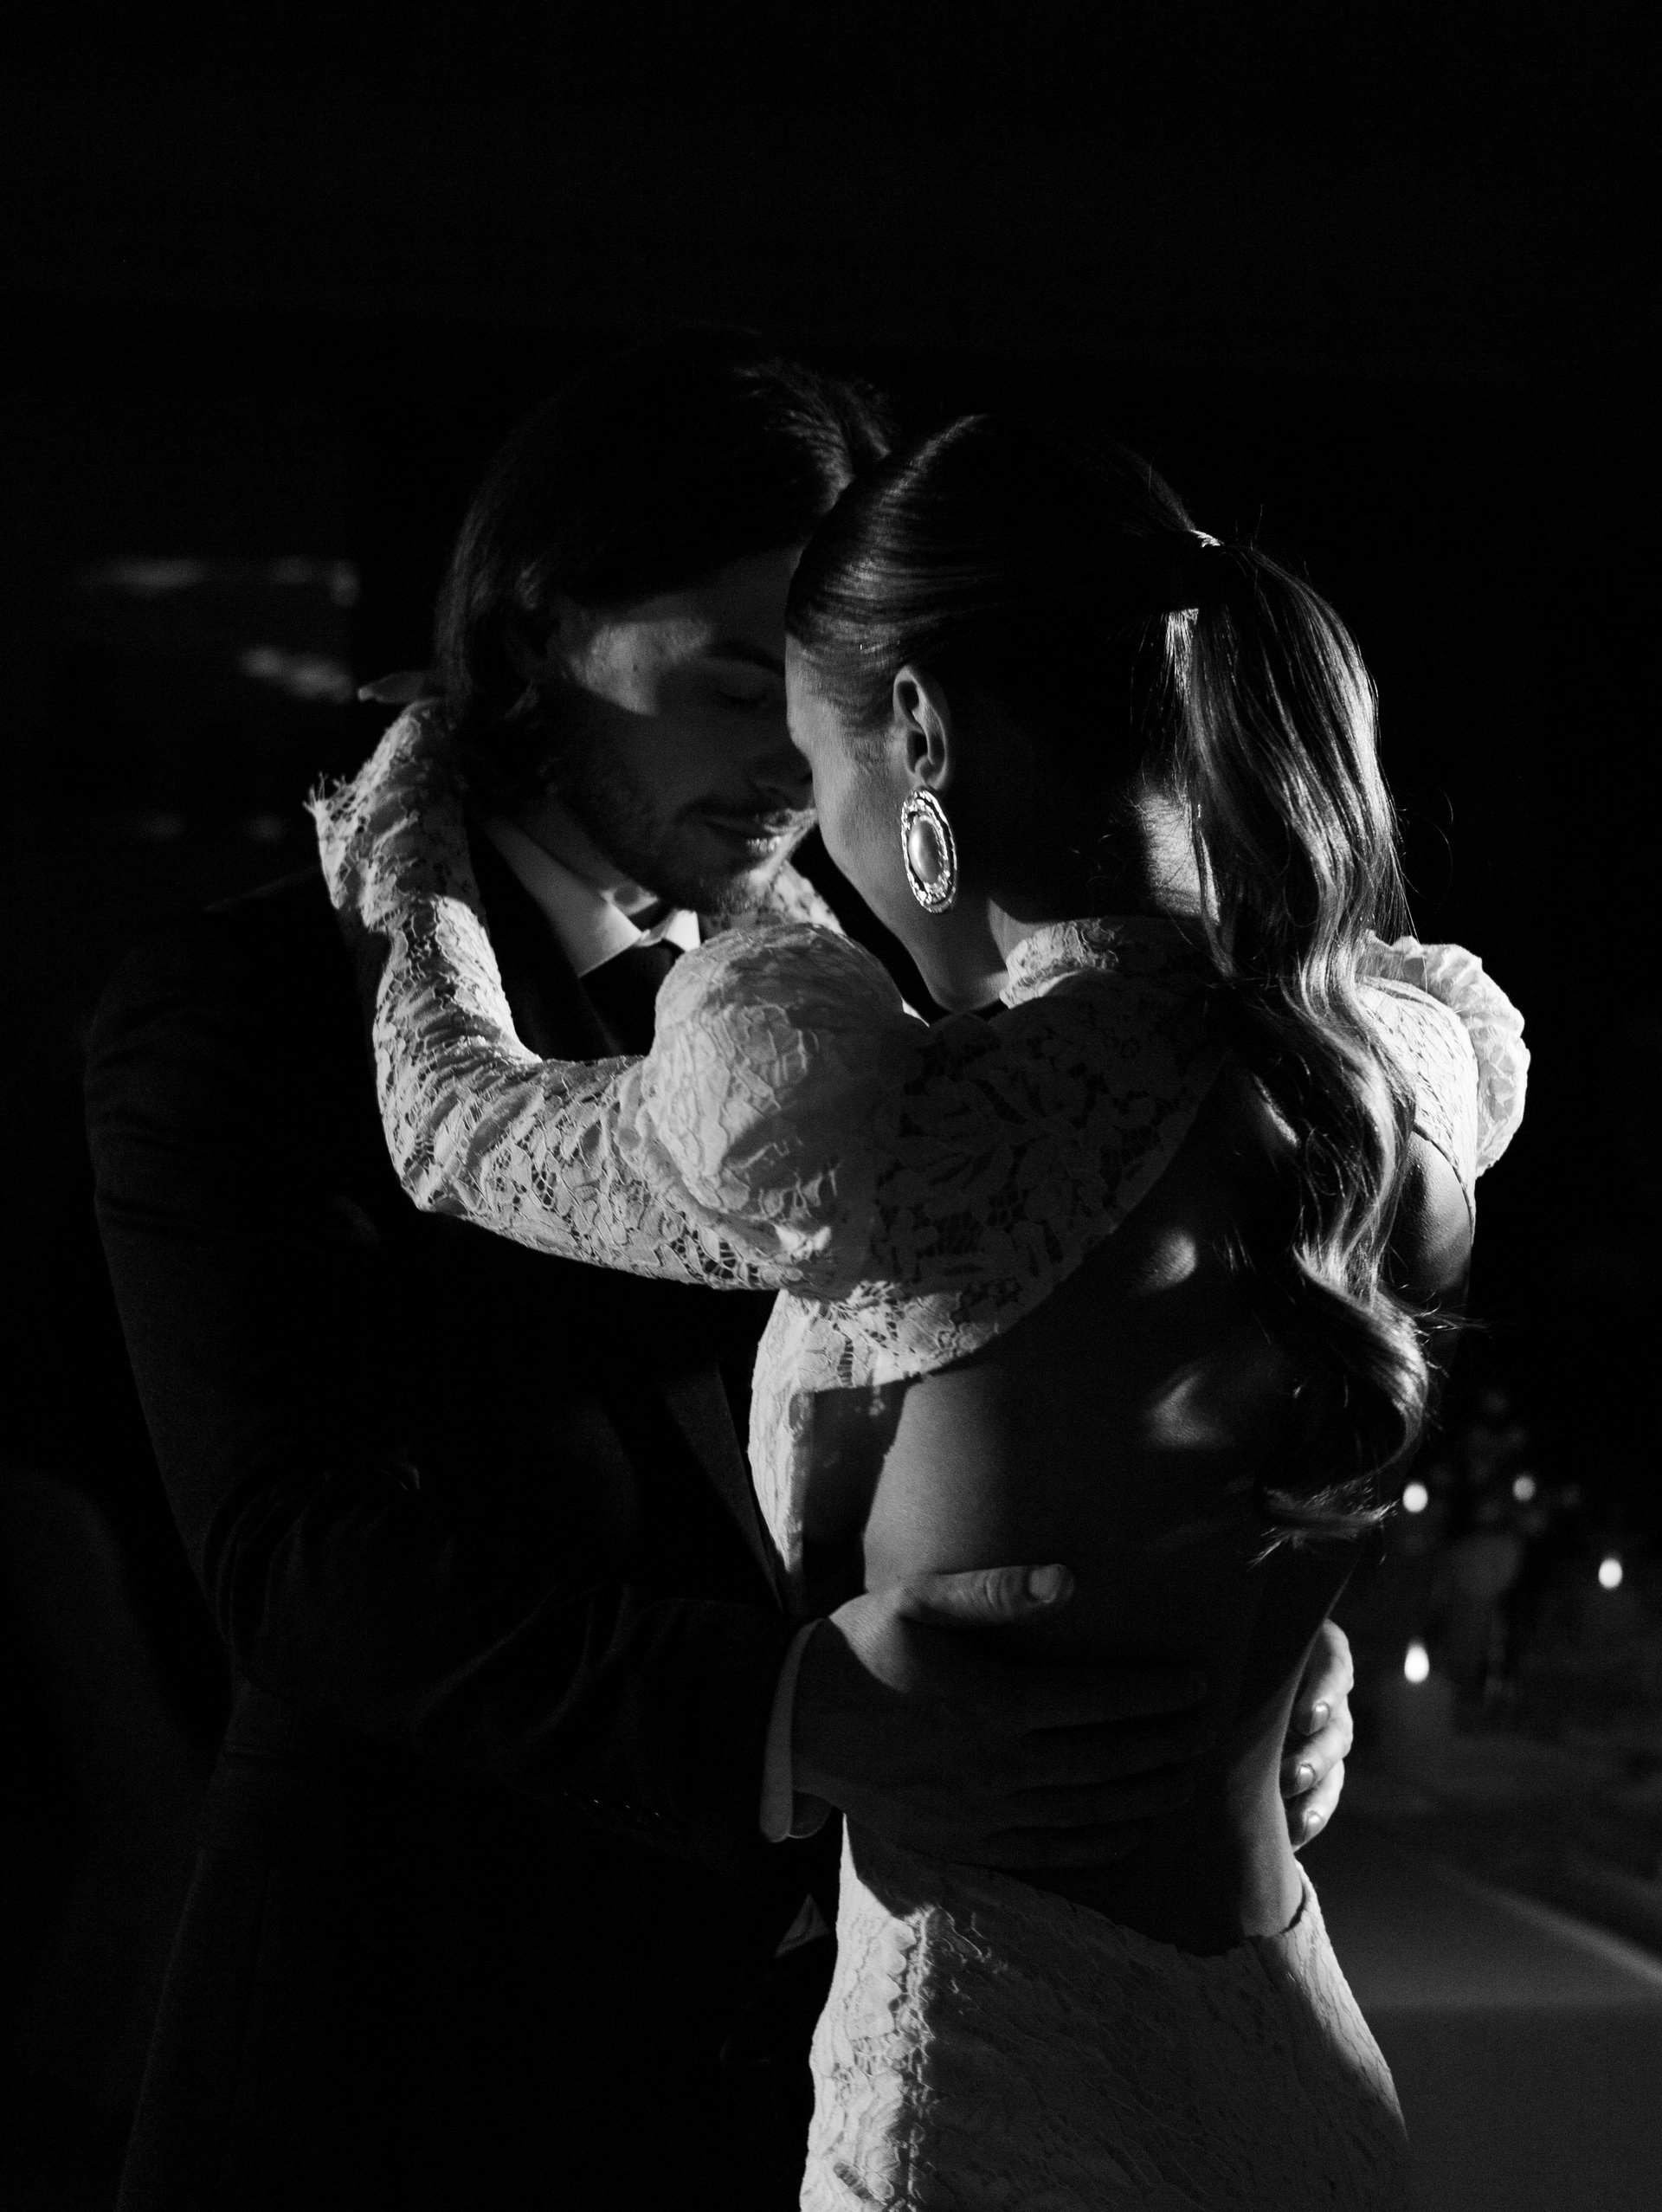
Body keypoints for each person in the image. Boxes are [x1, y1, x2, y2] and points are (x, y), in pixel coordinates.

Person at [86, 341, 1356, 2211]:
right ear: (539, 630)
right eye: (733, 682)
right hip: (425, 2070)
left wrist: (1209, 1641)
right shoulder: (254, 1010)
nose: (788, 758)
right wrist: (790, 1721)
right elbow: (299, 1567)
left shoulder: (917, 996)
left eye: (823, 690)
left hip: (830, 2092)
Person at [317, 410, 1529, 2208]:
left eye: (820, 767)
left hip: (987, 2102)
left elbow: (453, 1126)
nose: (816, 840)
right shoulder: (1402, 1079)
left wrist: (401, 832)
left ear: (926, 735)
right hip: (1291, 2083)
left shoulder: (919, 1147)